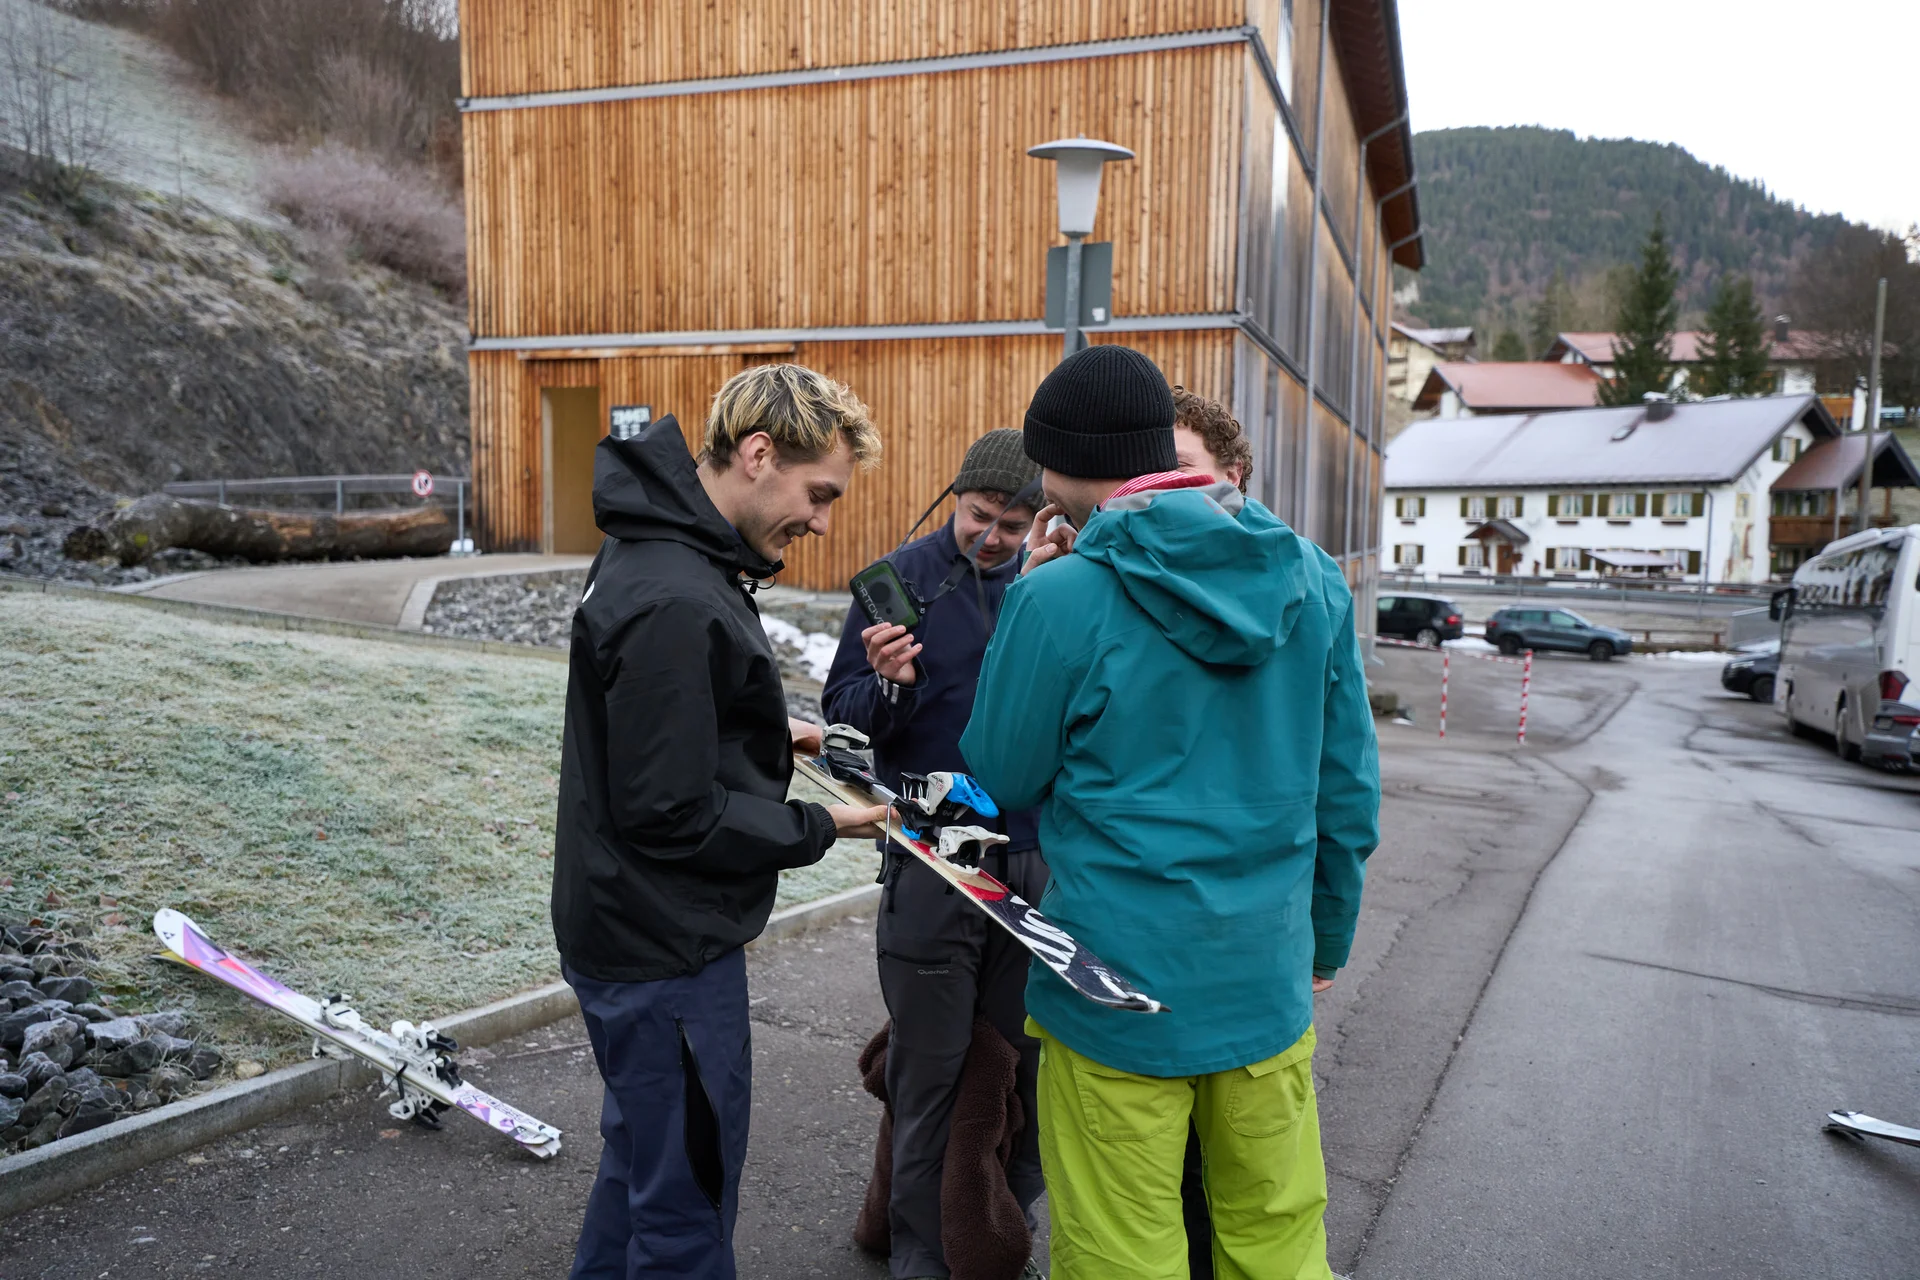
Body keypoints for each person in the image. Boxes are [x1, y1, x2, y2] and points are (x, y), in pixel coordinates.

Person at [961, 344, 1379, 1280]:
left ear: (1059, 463)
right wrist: (1323, 944)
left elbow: (1003, 773)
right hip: (1265, 978)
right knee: (1277, 1240)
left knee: (1121, 1251)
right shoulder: (1312, 580)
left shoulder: (1062, 595)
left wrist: (1028, 602)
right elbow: (1347, 795)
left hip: (1116, 985)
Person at [551, 362, 890, 1280]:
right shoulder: (675, 594)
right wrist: (828, 829)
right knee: (685, 1205)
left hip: (630, 927)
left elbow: (656, 724)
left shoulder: (666, 552)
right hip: (663, 946)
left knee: (642, 1172)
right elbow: (671, 813)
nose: (821, 522)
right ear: (757, 453)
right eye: (818, 494)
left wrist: (768, 728)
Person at [822, 428, 1047, 1280]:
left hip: (1030, 858)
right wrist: (888, 686)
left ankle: (1000, 1228)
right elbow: (841, 728)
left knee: (1026, 1069)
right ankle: (920, 1253)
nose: (991, 538)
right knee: (929, 1072)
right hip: (930, 854)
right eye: (979, 517)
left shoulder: (1050, 587)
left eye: (1011, 526)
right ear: (956, 496)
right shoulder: (902, 580)